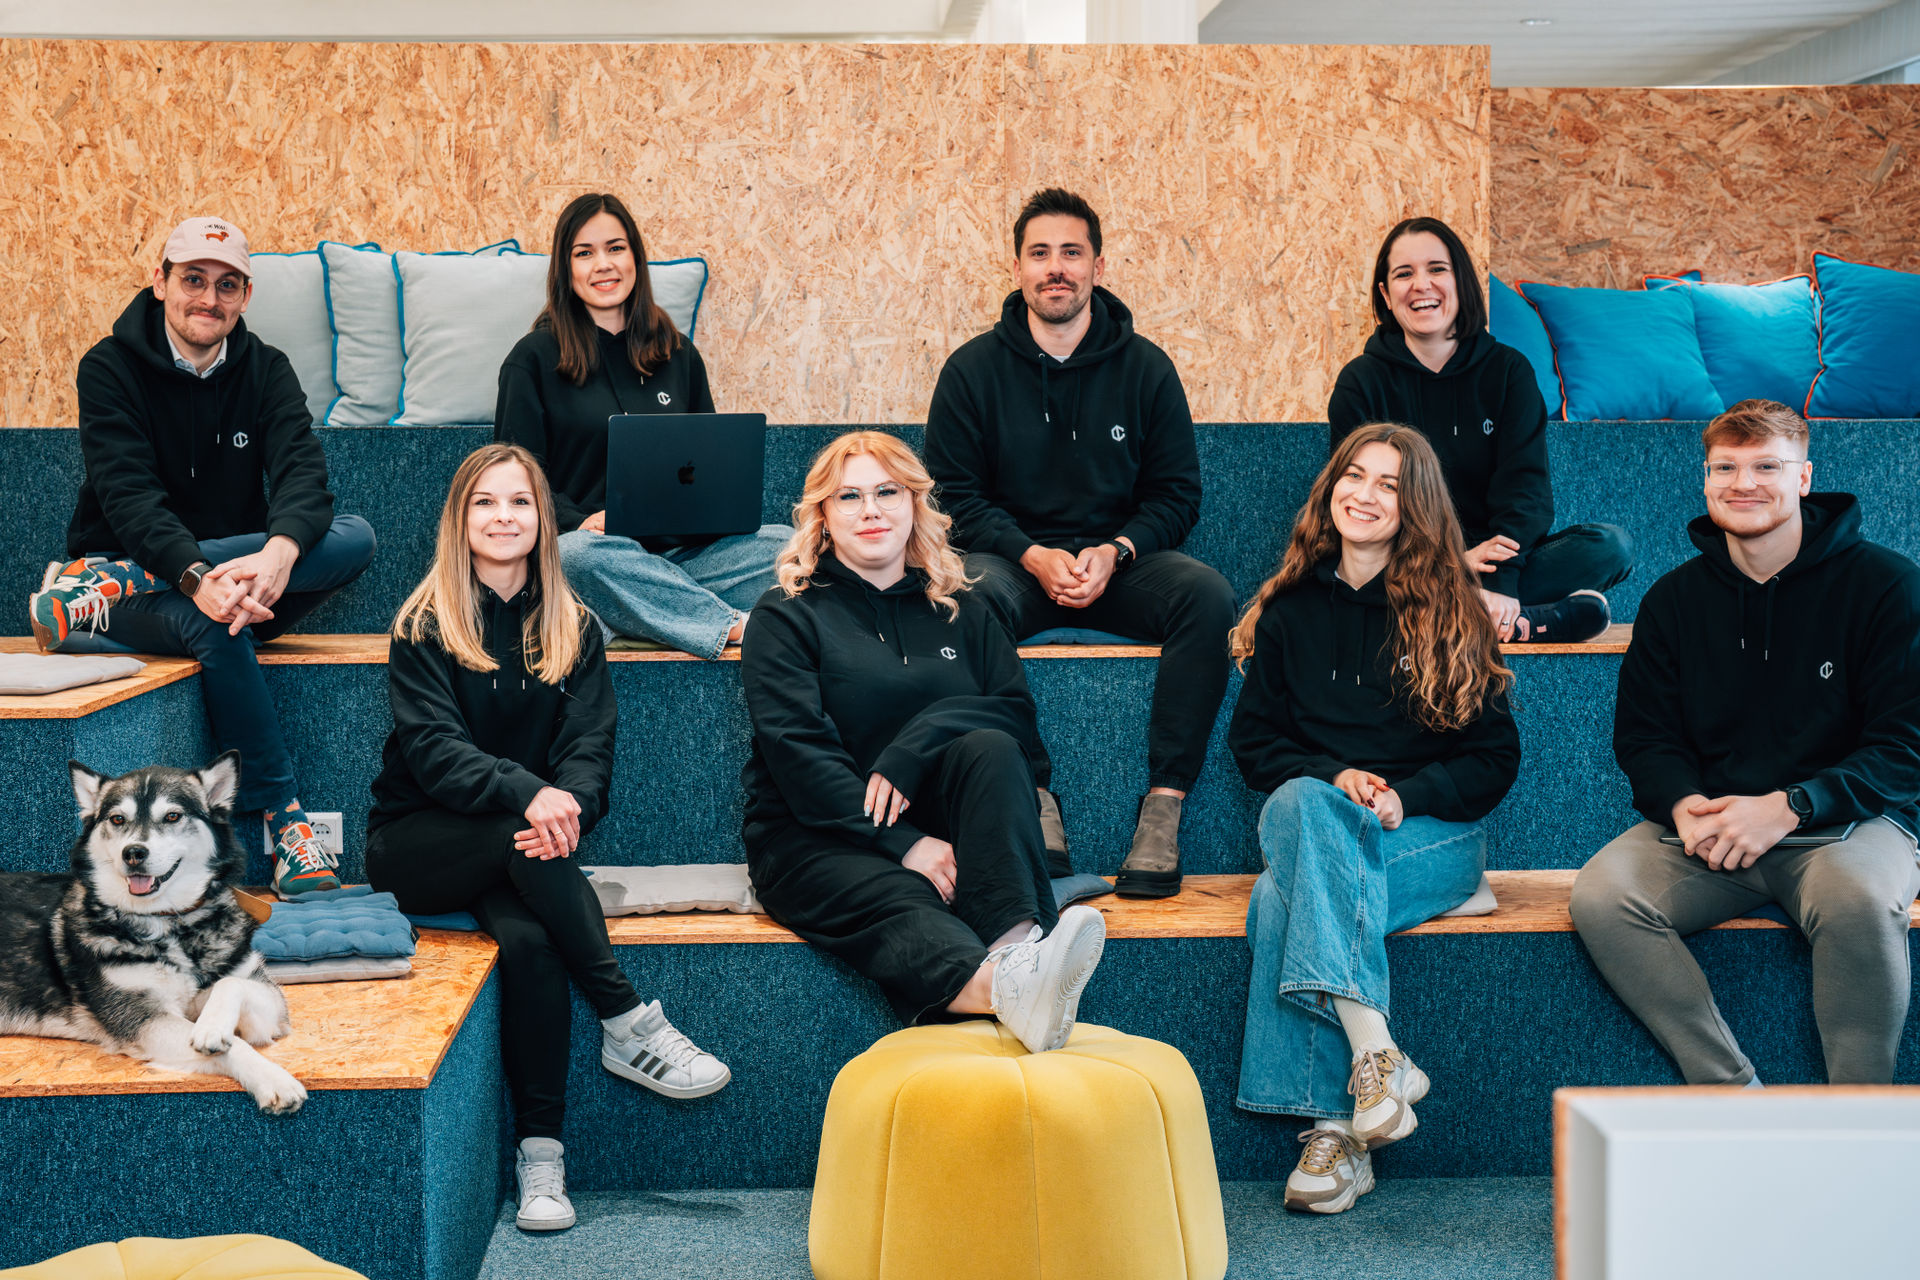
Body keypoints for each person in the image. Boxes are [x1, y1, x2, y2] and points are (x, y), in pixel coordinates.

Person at [365, 442, 730, 1234]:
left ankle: (542, 1161)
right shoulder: (424, 624)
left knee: (532, 946)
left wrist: (569, 810)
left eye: (520, 502)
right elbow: (435, 754)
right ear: (460, 520)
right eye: (485, 503)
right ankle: (625, 1017)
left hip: (525, 847)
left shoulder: (575, 626)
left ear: (543, 519)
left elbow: (592, 749)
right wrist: (532, 796)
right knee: (512, 834)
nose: (503, 517)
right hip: (417, 843)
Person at [1570, 399, 1920, 1089]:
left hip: (1848, 823)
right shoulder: (1675, 600)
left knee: (1858, 902)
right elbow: (1645, 737)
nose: (1743, 483)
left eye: (1766, 466)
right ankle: (1734, 1100)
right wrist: (1684, 805)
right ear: (1706, 480)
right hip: (1715, 830)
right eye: (1725, 468)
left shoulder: (1888, 586)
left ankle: (1862, 1119)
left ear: (1804, 478)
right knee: (1604, 897)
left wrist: (1790, 805)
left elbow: (1907, 746)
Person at [31, 215, 377, 896]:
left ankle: (111, 582)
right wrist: (192, 578)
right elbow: (128, 497)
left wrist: (276, 557)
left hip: (206, 583)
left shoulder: (266, 369)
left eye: (226, 285)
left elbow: (304, 477)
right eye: (193, 279)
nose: (208, 299)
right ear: (160, 282)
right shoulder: (109, 367)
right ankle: (286, 821)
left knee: (355, 536)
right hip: (138, 583)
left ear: (244, 296)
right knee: (213, 622)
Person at [1227, 422, 1520, 1215]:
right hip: (1324, 828)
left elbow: (1494, 760)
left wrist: (1403, 797)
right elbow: (1254, 746)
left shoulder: (1455, 610)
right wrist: (1336, 776)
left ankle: (1340, 1117)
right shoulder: (1289, 610)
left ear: (1414, 506)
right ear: (1331, 489)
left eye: (1388, 484)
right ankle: (1370, 1075)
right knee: (1300, 803)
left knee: (1278, 898)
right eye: (1354, 476)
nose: (1364, 494)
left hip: (1430, 837)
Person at [741, 430, 1106, 1053]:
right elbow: (799, 755)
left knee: (993, 747)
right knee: (908, 896)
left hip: (953, 826)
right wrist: (905, 844)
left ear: (915, 504)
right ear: (823, 515)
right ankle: (1012, 985)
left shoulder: (965, 607)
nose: (871, 510)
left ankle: (1015, 948)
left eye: (887, 492)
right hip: (816, 837)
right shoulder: (787, 613)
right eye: (849, 497)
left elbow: (1018, 721)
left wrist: (917, 744)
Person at [925, 187, 1235, 898]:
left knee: (1209, 596)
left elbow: (1177, 495)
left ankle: (1163, 809)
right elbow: (952, 499)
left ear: (1099, 265)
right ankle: (1034, 795)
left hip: (1120, 567)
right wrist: (1030, 553)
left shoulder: (1147, 368)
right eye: (1040, 254)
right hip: (1014, 567)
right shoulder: (971, 371)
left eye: (1072, 252)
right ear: (1016, 268)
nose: (1056, 267)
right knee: (963, 594)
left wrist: (1117, 550)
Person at [494, 192, 790, 658]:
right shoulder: (532, 359)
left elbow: (707, 468)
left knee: (788, 545)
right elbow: (513, 484)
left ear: (635, 257)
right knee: (574, 557)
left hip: (680, 554)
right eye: (584, 253)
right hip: (595, 553)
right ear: (565, 269)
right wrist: (580, 521)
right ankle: (725, 624)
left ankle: (630, 612)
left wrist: (709, 513)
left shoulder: (679, 354)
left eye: (615, 248)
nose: (603, 264)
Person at [1328, 216, 1632, 644]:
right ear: (1385, 294)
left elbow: (1525, 493)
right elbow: (1361, 503)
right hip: (1405, 562)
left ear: (1461, 282)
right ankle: (1525, 622)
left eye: (1437, 269)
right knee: (1349, 572)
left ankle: (1464, 612)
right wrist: (1452, 564)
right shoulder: (1361, 381)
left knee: (1610, 547)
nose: (1421, 285)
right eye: (1404, 274)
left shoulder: (1508, 372)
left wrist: (1500, 581)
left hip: (1499, 557)